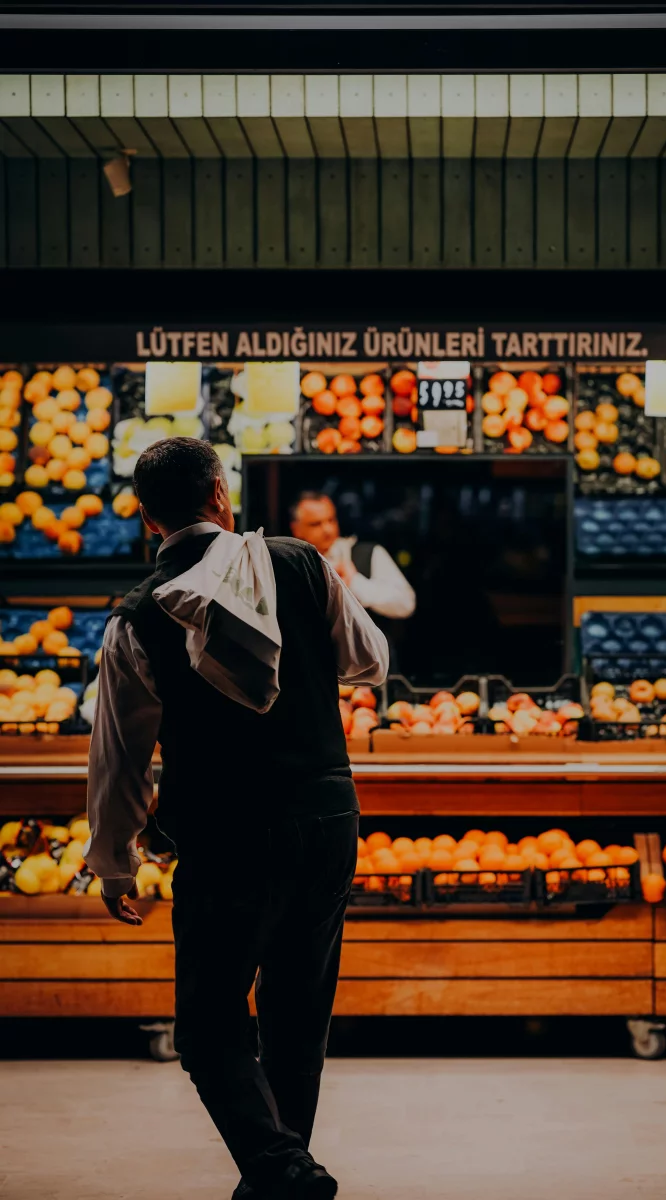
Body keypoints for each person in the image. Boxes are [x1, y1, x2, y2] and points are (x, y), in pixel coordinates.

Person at [84, 438, 388, 1200]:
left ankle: (281, 1170)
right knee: (295, 1021)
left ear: (149, 519)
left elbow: (119, 758)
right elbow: (369, 661)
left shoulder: (136, 619)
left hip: (227, 837)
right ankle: (282, 1180)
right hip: (326, 820)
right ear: (220, 494)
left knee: (209, 1028)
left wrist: (113, 860)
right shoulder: (302, 563)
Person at [289, 492, 416, 621]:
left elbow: (406, 604)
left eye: (331, 520)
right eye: (316, 524)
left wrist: (355, 582)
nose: (328, 529)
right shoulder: (291, 565)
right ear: (297, 529)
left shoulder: (367, 553)